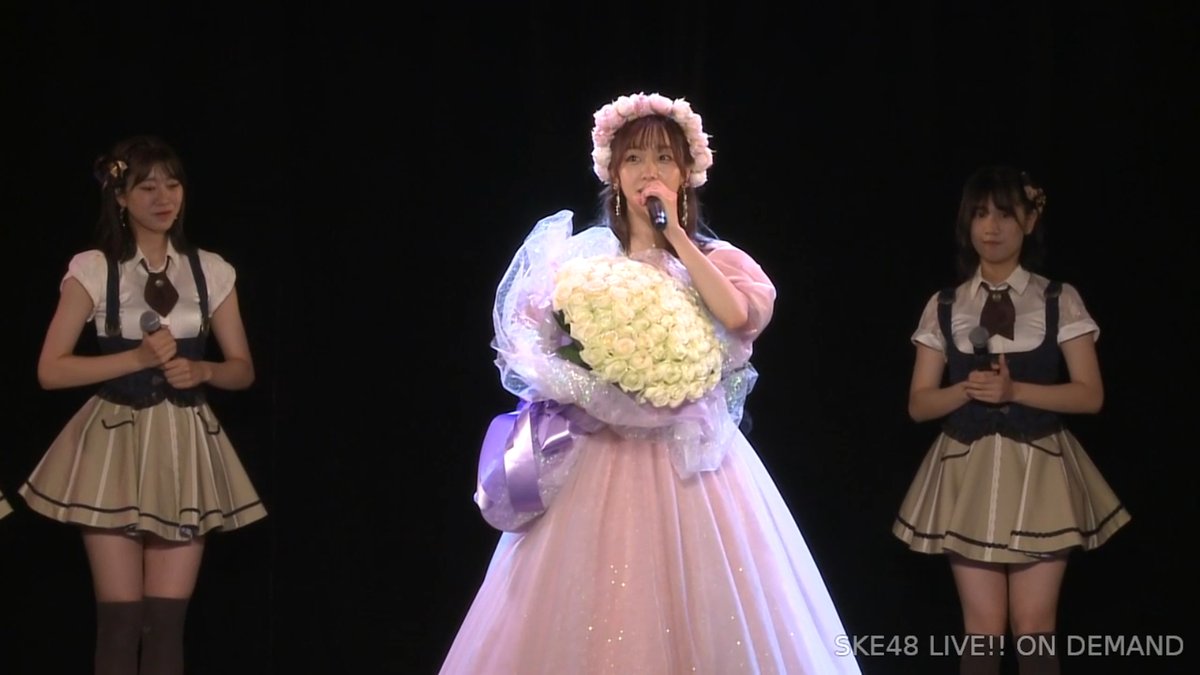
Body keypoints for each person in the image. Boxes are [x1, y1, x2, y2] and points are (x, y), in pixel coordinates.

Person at [439, 92, 861, 674]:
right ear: (614, 173)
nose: (649, 172)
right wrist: (587, 380)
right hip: (596, 453)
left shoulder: (715, 259)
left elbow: (738, 315)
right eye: (634, 159)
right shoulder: (582, 265)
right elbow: (536, 346)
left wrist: (678, 238)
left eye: (664, 158)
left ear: (686, 174)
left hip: (690, 459)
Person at [18, 135, 267, 675]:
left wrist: (203, 370)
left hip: (183, 449)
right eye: (147, 187)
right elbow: (51, 370)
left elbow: (241, 368)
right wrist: (134, 358)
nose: (163, 197)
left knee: (165, 625)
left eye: (172, 185)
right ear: (120, 197)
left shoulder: (210, 270)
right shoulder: (95, 268)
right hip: (114, 448)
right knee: (120, 623)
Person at [892, 166, 1131, 675]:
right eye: (981, 214)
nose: (992, 226)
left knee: (1034, 627)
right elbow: (919, 404)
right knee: (981, 629)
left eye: (1005, 214)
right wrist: (967, 389)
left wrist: (1014, 390)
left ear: (1029, 220)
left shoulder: (1057, 298)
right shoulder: (946, 305)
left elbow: (1090, 395)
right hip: (967, 468)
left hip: (1039, 469)